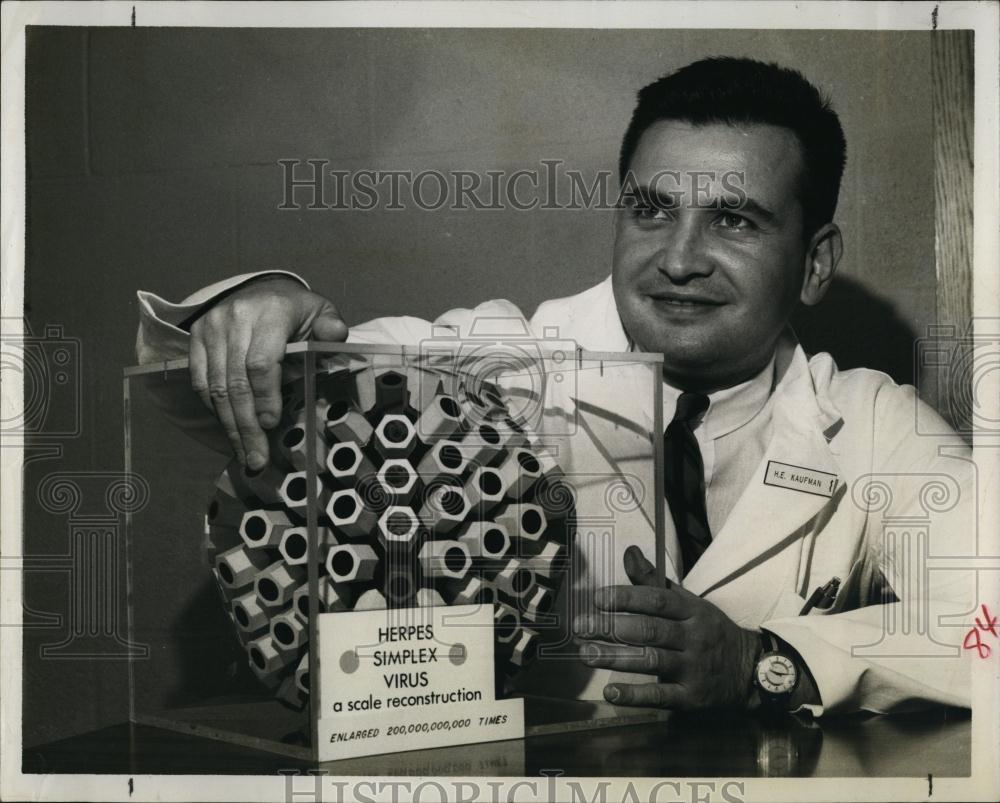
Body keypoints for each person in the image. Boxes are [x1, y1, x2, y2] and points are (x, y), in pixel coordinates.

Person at [136, 57, 974, 716]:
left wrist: (766, 662)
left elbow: (987, 633)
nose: (678, 258)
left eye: (733, 219)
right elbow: (213, 400)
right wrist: (254, 312)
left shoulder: (868, 424)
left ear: (816, 261)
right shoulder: (500, 360)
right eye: (651, 210)